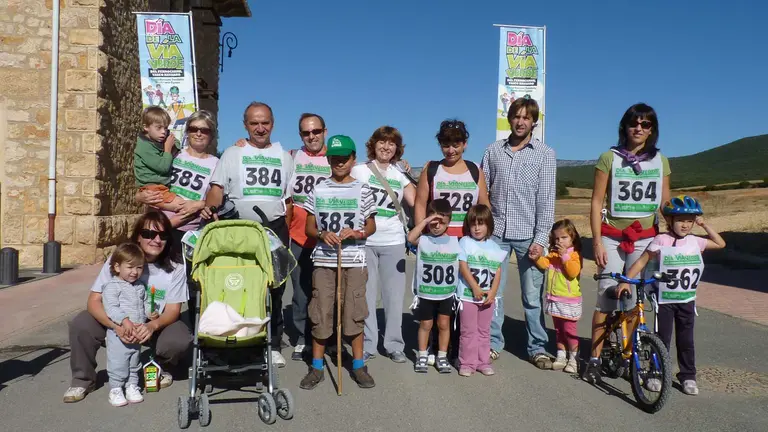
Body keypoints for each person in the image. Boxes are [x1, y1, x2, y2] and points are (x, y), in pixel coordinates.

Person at [63, 210, 191, 403]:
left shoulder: (175, 268)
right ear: (138, 237)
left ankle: (159, 366)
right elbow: (94, 300)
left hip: (153, 321)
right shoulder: (120, 259)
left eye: (162, 235)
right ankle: (82, 380)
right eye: (149, 234)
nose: (156, 240)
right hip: (119, 318)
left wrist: (152, 326)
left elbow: (173, 310)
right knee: (81, 324)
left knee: (178, 338)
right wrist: (116, 326)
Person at [204, 102, 295, 367]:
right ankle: (235, 338)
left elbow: (288, 202)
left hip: (274, 228)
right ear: (245, 125)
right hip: (239, 230)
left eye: (265, 122)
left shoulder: (285, 157)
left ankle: (273, 343)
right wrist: (211, 210)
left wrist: (283, 230)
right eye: (254, 123)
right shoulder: (232, 153)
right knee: (238, 283)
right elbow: (217, 189)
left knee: (275, 287)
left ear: (273, 124)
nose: (260, 128)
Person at [584, 103, 671, 379]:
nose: (639, 128)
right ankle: (595, 359)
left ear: (652, 130)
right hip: (611, 237)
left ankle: (628, 353)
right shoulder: (608, 158)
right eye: (635, 123)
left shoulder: (660, 160)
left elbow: (665, 202)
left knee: (633, 298)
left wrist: (677, 232)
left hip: (645, 238)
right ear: (625, 126)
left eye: (646, 125)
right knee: (606, 298)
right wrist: (596, 242)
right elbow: (597, 201)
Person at [617, 195, 725, 395]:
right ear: (670, 221)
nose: (685, 225)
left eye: (690, 221)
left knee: (686, 340)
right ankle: (655, 373)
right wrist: (626, 280)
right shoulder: (661, 240)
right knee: (661, 339)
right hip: (664, 300)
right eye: (681, 220)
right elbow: (642, 261)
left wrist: (704, 225)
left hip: (686, 300)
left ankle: (688, 376)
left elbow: (720, 244)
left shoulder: (695, 241)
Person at [480, 96, 556, 368]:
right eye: (516, 116)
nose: (521, 121)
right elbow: (483, 191)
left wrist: (540, 240)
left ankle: (537, 347)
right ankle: (491, 343)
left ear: (534, 121)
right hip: (496, 233)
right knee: (493, 292)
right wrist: (485, 230)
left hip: (529, 236)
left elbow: (546, 200)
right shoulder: (493, 151)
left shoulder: (545, 154)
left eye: (526, 117)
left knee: (532, 296)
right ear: (509, 118)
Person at [299, 135, 377, 390]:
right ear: (328, 160)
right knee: (321, 311)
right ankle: (317, 366)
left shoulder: (364, 189)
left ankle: (358, 365)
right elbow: (310, 226)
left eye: (344, 158)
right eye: (335, 159)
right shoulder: (319, 188)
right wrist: (322, 234)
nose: (340, 163)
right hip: (324, 260)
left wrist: (358, 233)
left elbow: (371, 225)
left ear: (353, 159)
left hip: (353, 260)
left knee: (354, 312)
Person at [414, 119, 490, 365]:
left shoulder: (475, 170)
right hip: (437, 241)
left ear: (465, 144)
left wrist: (483, 239)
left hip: (466, 241)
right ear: (440, 144)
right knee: (438, 293)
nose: (451, 149)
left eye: (456, 143)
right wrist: (422, 237)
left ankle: (457, 348)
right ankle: (435, 347)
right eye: (446, 144)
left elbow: (484, 205)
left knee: (461, 295)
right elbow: (420, 203)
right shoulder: (432, 169)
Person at [351, 126, 416, 364]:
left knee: (394, 296)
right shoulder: (358, 170)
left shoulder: (400, 175)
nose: (386, 147)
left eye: (391, 144)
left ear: (397, 148)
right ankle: (368, 343)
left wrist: (412, 172)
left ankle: (394, 344)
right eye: (382, 142)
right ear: (373, 144)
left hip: (394, 240)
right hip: (365, 240)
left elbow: (417, 201)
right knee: (366, 295)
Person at [285, 113, 332, 361]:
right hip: (298, 233)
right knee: (301, 290)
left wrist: (400, 165)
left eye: (316, 131)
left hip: (327, 235)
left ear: (325, 131)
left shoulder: (336, 157)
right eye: (306, 132)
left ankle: (329, 337)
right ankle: (304, 337)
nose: (311, 136)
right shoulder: (292, 156)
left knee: (328, 289)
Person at [408, 199, 458, 374]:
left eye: (441, 223)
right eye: (433, 222)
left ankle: (442, 355)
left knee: (444, 324)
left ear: (448, 222)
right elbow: (410, 237)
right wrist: (425, 221)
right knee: (425, 324)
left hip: (446, 293)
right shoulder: (423, 239)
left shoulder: (455, 242)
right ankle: (422, 354)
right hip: (426, 292)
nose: (436, 226)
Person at [456, 205, 506, 377]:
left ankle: (482, 361)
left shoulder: (495, 247)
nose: (477, 228)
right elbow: (463, 266)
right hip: (468, 297)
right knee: (468, 331)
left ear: (489, 225)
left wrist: (493, 292)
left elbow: (497, 271)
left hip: (487, 299)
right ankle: (467, 363)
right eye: (473, 224)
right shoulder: (464, 242)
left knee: (484, 332)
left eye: (481, 224)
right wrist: (475, 287)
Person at [102, 243, 149, 406]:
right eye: (130, 267)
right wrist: (124, 320)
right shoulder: (112, 287)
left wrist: (151, 312)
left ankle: (132, 385)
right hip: (118, 333)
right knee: (118, 361)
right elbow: (111, 308)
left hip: (136, 332)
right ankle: (115, 388)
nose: (135, 272)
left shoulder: (140, 287)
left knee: (134, 361)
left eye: (139, 268)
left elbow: (145, 303)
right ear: (117, 267)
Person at [533, 219, 583, 374]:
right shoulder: (553, 254)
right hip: (555, 298)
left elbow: (573, 272)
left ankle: (574, 358)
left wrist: (564, 256)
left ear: (572, 238)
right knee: (559, 330)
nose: (560, 241)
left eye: (564, 238)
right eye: (556, 238)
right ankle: (561, 356)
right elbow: (544, 264)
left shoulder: (574, 255)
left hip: (569, 300)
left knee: (569, 331)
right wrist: (536, 258)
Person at [133, 106, 185, 212]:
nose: (163, 132)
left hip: (162, 187)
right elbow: (163, 167)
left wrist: (171, 146)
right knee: (182, 206)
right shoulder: (144, 147)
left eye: (165, 128)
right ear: (146, 127)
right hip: (153, 190)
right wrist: (167, 149)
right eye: (159, 128)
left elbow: (176, 143)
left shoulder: (159, 139)